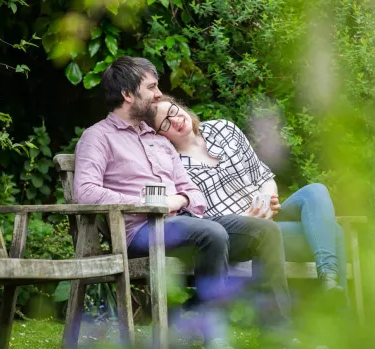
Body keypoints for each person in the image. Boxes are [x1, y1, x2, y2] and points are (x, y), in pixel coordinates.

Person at [73, 56, 292, 348]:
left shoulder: (159, 140)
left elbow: (194, 194)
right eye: (151, 87)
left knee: (264, 231)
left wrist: (177, 198)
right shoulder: (97, 137)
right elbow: (85, 191)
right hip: (138, 232)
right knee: (211, 232)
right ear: (127, 94)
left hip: (181, 224)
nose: (159, 93)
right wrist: (146, 203)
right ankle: (214, 336)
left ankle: (279, 332)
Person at [145, 95, 349, 301]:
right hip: (240, 234)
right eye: (165, 123)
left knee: (315, 191)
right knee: (334, 231)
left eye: (172, 110)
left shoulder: (223, 129)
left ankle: (329, 283)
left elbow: (264, 177)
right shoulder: (173, 164)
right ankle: (335, 299)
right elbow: (197, 218)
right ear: (161, 135)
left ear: (179, 106)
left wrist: (268, 198)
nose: (175, 120)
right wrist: (246, 218)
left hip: (268, 215)